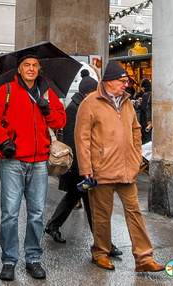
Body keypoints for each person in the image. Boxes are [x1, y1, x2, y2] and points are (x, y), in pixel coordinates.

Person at [0, 50, 66, 281]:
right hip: (13, 162)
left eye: (35, 65)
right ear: (19, 69)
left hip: (39, 163)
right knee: (9, 214)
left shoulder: (47, 93)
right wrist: (4, 140)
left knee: (36, 214)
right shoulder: (6, 90)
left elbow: (60, 121)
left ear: (39, 69)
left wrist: (47, 109)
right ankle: (9, 260)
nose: (31, 68)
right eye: (26, 65)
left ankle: (33, 258)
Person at [75, 61, 165, 274]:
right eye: (122, 81)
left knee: (135, 213)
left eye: (127, 81)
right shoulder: (90, 103)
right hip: (101, 170)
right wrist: (86, 167)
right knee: (102, 215)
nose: (126, 85)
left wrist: (136, 158)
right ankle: (100, 253)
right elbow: (82, 138)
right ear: (108, 82)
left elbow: (136, 130)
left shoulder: (127, 102)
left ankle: (144, 258)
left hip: (127, 170)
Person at [44, 71, 123, 257]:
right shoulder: (74, 108)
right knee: (93, 206)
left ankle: (52, 225)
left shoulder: (87, 106)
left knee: (74, 197)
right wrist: (83, 168)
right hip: (81, 168)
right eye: (95, 91)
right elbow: (73, 140)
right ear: (87, 92)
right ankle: (105, 244)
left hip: (87, 166)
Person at [134, 78, 153, 144]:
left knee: (145, 137)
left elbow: (143, 107)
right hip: (151, 119)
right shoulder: (153, 94)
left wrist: (137, 103)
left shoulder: (145, 95)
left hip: (145, 119)